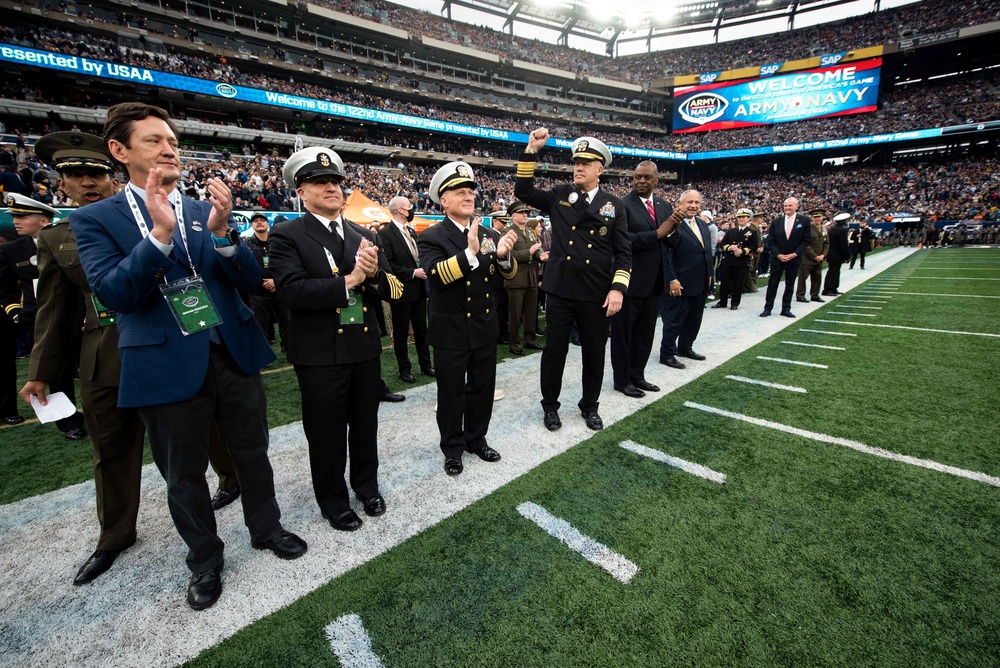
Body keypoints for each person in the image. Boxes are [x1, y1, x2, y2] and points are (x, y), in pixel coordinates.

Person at [73, 102, 306, 611]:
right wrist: (157, 236)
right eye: (154, 140)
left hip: (230, 351)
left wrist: (224, 237)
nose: (169, 148)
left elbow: (248, 279)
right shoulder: (95, 219)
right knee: (182, 473)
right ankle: (205, 559)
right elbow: (114, 295)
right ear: (120, 151)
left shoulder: (205, 211)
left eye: (173, 141)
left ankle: (266, 529)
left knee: (252, 453)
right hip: (164, 362)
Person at [19, 131, 242, 585]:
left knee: (203, 434)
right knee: (112, 451)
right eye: (75, 176)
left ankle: (230, 480)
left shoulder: (155, 213)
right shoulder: (58, 236)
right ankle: (115, 535)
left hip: (173, 343)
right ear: (60, 183)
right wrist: (41, 372)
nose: (87, 183)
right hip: (106, 358)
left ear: (114, 170)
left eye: (95, 173)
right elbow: (54, 311)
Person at [268, 146, 403, 528]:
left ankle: (366, 485)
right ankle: (333, 500)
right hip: (319, 353)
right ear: (300, 191)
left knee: (365, 424)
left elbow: (395, 290)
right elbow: (291, 292)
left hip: (362, 348)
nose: (331, 188)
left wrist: (375, 276)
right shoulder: (287, 234)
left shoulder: (363, 233)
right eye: (319, 182)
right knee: (326, 433)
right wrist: (352, 280)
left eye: (335, 182)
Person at [514, 130, 631, 431]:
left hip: (596, 291)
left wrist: (618, 287)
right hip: (562, 288)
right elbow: (524, 191)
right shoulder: (560, 194)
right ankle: (550, 406)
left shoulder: (614, 205)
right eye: (576, 162)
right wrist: (531, 150)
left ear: (599, 169)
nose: (578, 167)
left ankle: (590, 406)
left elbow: (623, 252)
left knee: (594, 352)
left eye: (585, 163)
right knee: (555, 350)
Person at [418, 161, 517, 475]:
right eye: (460, 192)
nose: (468, 196)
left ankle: (477, 439)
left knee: (482, 388)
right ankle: (452, 447)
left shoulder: (487, 231)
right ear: (443, 201)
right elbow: (436, 275)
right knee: (451, 393)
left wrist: (503, 257)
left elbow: (504, 275)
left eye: (471, 191)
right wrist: (470, 253)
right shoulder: (432, 235)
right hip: (451, 331)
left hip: (483, 326)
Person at [0, 193, 87, 440]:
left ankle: (95, 414)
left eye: (22, 216)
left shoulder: (70, 239)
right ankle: (69, 421)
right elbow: (4, 287)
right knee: (54, 373)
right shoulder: (12, 250)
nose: (16, 221)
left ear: (42, 220)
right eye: (14, 216)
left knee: (88, 368)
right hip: (41, 319)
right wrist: (15, 311)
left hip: (79, 317)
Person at [610, 160, 679, 398]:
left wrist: (672, 230)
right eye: (637, 177)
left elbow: (671, 243)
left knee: (645, 333)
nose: (640, 181)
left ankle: (637, 375)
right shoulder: (621, 204)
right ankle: (621, 380)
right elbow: (619, 241)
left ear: (656, 180)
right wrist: (656, 234)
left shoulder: (663, 205)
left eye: (646, 177)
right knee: (623, 334)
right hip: (629, 280)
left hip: (654, 282)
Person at [379, 196, 434, 382]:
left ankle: (426, 365)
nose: (411, 209)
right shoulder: (385, 233)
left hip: (419, 289)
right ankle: (405, 369)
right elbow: (388, 264)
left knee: (421, 330)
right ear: (401, 210)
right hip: (401, 291)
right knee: (401, 333)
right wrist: (413, 272)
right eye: (409, 207)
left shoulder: (411, 230)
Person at [658, 190, 713, 369]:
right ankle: (667, 354)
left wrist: (710, 275)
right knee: (674, 320)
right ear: (680, 204)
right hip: (679, 283)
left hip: (699, 282)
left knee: (694, 319)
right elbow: (667, 255)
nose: (693, 206)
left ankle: (685, 347)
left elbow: (707, 253)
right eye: (689, 202)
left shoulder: (702, 225)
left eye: (697, 203)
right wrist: (672, 279)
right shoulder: (672, 224)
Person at [503, 200, 546, 355]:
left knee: (531, 311)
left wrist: (541, 256)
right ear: (513, 216)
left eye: (526, 213)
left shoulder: (528, 231)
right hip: (515, 278)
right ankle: (514, 343)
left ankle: (530, 339)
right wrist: (529, 251)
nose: (525, 215)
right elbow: (509, 254)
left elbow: (536, 250)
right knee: (514, 314)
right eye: (521, 213)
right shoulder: (508, 232)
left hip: (530, 278)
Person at [245, 212, 289, 353]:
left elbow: (286, 264)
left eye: (262, 220)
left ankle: (288, 348)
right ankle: (265, 353)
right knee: (261, 324)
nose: (259, 222)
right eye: (255, 221)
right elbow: (246, 267)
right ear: (252, 225)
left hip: (280, 288)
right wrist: (262, 282)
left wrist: (275, 281)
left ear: (267, 224)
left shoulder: (278, 242)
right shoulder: (246, 244)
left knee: (286, 322)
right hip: (258, 291)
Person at [760, 197, 811, 318]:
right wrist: (778, 254)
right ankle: (768, 308)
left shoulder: (804, 221)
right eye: (785, 206)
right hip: (778, 258)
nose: (787, 208)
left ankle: (786, 308)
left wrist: (794, 254)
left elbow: (806, 241)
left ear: (797, 206)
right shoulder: (776, 222)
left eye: (790, 205)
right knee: (773, 283)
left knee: (790, 284)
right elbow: (771, 241)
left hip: (794, 258)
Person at [712, 208, 758, 311]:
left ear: (748, 219)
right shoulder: (731, 231)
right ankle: (722, 302)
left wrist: (742, 251)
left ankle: (735, 303)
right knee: (725, 282)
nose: (741, 219)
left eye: (743, 217)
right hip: (728, 260)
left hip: (741, 261)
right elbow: (723, 243)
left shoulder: (752, 232)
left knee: (738, 283)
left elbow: (754, 246)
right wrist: (729, 247)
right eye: (739, 217)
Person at [796, 209, 830, 303]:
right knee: (803, 278)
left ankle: (815, 295)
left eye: (819, 217)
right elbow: (805, 244)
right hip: (807, 257)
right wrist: (814, 256)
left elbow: (826, 243)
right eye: (815, 217)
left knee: (817, 277)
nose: (817, 219)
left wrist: (823, 255)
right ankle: (800, 295)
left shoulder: (824, 229)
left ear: (822, 217)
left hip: (819, 257)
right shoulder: (807, 228)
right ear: (811, 218)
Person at [822, 212, 852, 296]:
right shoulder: (841, 230)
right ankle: (828, 289)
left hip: (832, 254)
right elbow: (843, 245)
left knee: (834, 271)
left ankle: (833, 288)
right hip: (837, 254)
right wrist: (847, 256)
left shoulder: (832, 229)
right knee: (833, 272)